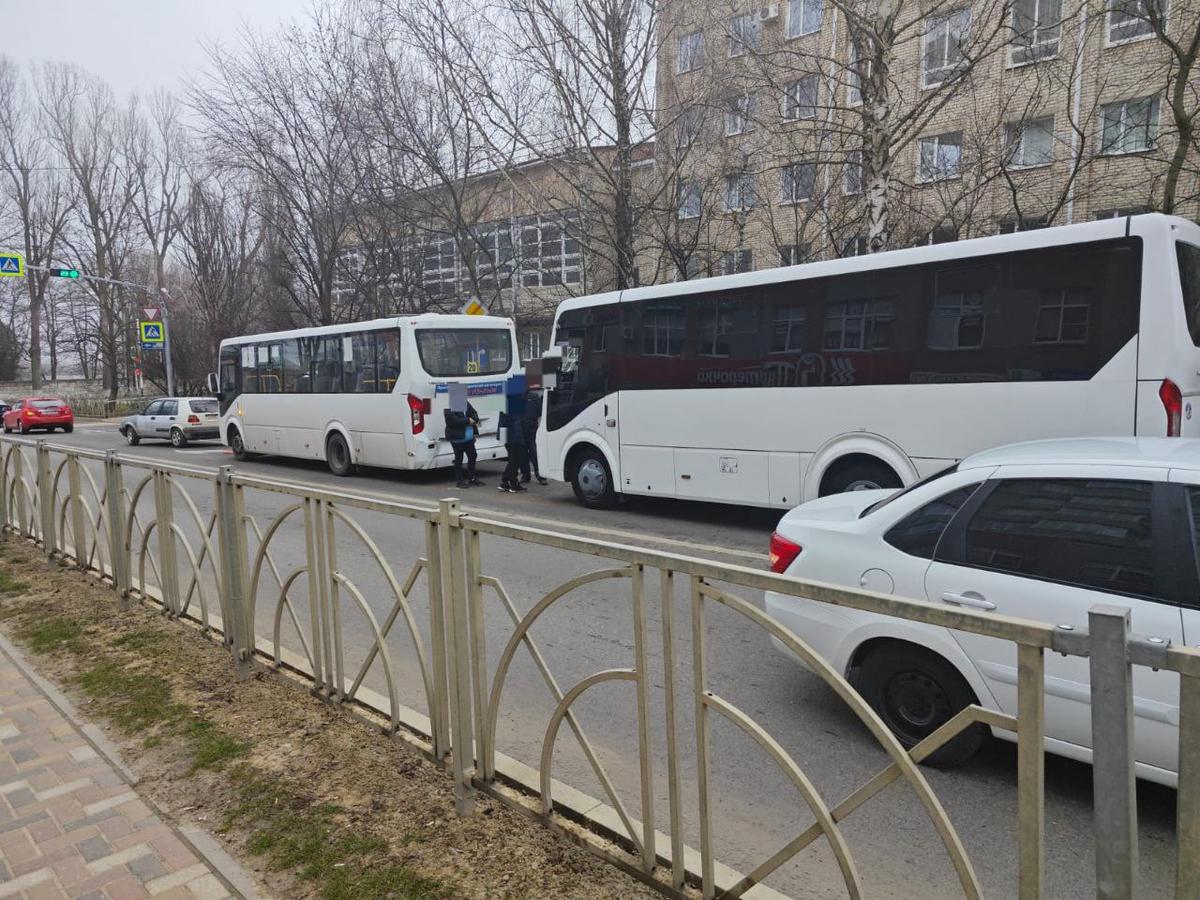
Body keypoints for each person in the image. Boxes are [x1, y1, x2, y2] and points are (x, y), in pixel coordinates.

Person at [444, 401, 484, 488]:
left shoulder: (466, 403)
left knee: (473, 455)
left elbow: (474, 413)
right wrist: (468, 420)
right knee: (459, 458)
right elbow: (452, 421)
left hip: (468, 437)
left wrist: (474, 418)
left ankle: (472, 478)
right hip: (456, 438)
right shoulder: (449, 406)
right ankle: (460, 481)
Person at [498, 385, 528, 493]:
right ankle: (513, 484)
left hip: (506, 435)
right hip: (512, 436)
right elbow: (514, 422)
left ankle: (505, 482)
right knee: (515, 460)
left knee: (512, 459)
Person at [518, 387, 549, 485]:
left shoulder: (534, 397)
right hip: (520, 429)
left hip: (531, 429)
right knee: (522, 453)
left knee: (534, 453)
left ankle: (540, 475)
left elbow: (540, 412)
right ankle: (525, 475)